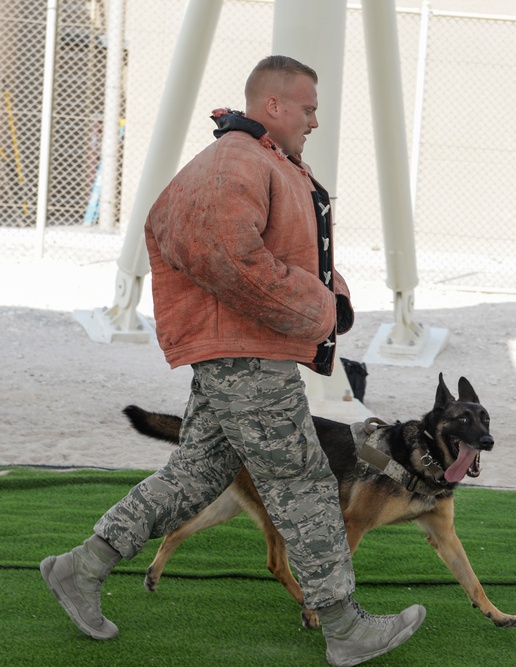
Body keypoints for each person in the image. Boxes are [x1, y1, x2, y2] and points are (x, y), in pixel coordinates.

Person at [40, 56, 425, 666]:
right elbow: (229, 257)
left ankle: (79, 568)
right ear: (272, 105)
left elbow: (287, 252)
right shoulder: (235, 163)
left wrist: (334, 297)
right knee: (302, 480)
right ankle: (345, 628)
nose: (315, 121)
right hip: (244, 355)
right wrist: (323, 310)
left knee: (193, 477)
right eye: (308, 108)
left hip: (242, 349)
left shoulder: (255, 161)